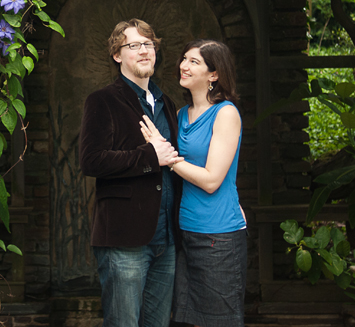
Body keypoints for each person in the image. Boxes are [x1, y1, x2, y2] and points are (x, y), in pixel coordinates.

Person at [79, 19, 183, 327]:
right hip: (124, 240)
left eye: (149, 44)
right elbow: (92, 161)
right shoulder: (103, 100)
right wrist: (150, 155)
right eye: (133, 45)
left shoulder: (167, 103)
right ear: (117, 54)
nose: (144, 51)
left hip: (166, 240)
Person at [140, 39, 247, 327]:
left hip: (219, 236)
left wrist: (167, 156)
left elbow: (212, 180)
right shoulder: (180, 116)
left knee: (219, 321)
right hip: (184, 233)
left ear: (214, 74)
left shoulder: (225, 113)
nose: (184, 66)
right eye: (184, 59)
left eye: (194, 62)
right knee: (186, 321)